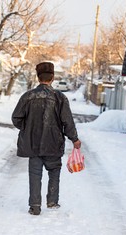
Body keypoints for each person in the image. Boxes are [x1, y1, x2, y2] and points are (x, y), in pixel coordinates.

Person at [11, 62, 81, 215]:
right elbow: (67, 121)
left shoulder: (27, 96)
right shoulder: (60, 98)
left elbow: (16, 118)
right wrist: (74, 139)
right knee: (54, 171)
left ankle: (35, 206)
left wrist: (27, 128)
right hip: (53, 144)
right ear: (53, 78)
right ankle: (52, 201)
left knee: (35, 174)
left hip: (33, 144)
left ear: (38, 77)